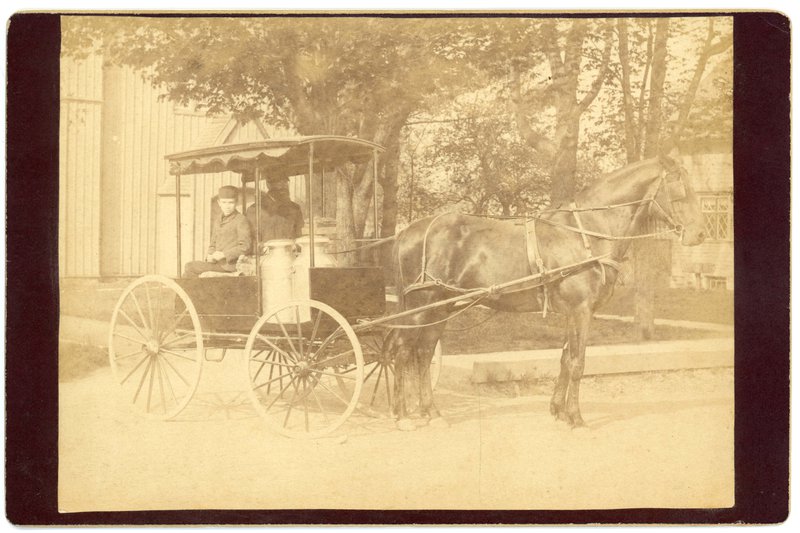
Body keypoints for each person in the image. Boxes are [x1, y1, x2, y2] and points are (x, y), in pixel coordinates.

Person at [183, 185, 253, 278]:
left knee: (190, 266)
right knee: (189, 270)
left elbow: (245, 246)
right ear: (219, 203)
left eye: (230, 203)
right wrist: (210, 256)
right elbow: (213, 244)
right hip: (217, 264)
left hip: (230, 266)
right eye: (224, 202)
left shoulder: (241, 220)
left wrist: (224, 255)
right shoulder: (218, 220)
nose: (227, 206)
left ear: (236, 202)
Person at [245, 175, 304, 245]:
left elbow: (298, 235)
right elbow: (251, 240)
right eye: (278, 183)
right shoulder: (255, 210)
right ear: (268, 185)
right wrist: (261, 248)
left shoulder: (294, 208)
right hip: (266, 254)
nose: (283, 186)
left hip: (290, 253)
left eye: (285, 182)